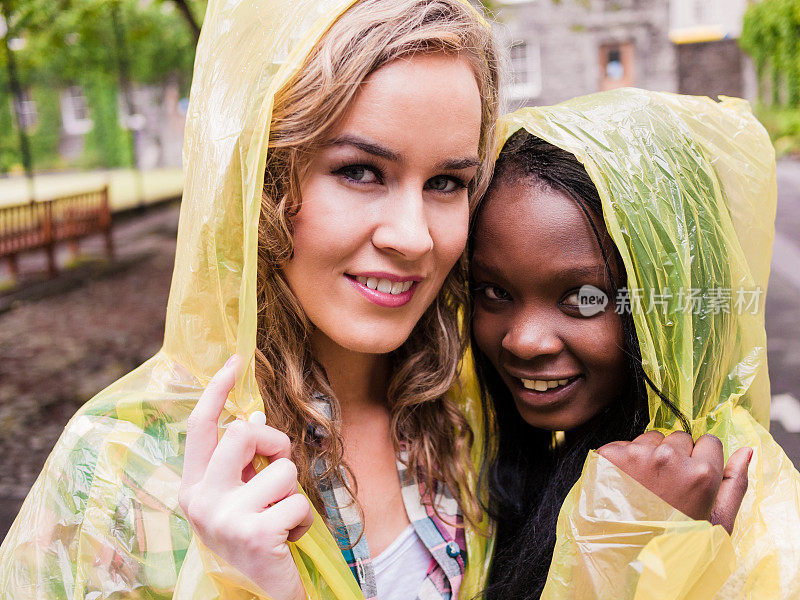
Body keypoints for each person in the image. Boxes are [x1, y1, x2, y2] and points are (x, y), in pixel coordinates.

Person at [0, 1, 500, 598]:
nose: (414, 236)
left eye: (447, 183)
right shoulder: (122, 468)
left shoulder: (466, 406)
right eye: (361, 171)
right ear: (261, 177)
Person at [470, 89, 800, 600]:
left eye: (583, 298)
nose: (523, 340)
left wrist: (636, 544)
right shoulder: (485, 469)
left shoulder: (758, 527)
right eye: (494, 292)